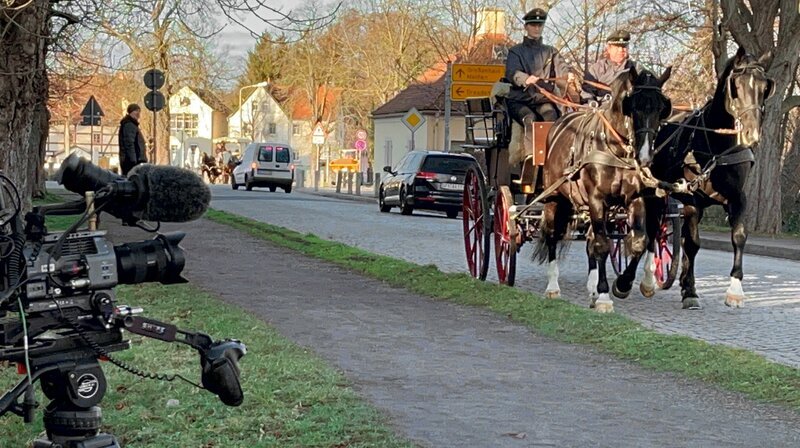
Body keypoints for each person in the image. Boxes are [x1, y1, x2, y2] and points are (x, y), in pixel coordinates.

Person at [505, 8, 576, 126]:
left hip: (543, 100)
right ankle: (531, 145)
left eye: (540, 25)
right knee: (529, 119)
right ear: (526, 27)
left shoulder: (551, 52)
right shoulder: (515, 51)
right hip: (520, 100)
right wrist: (525, 79)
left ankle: (549, 144)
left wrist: (568, 75)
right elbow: (512, 72)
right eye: (533, 25)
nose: (537, 29)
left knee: (551, 116)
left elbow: (562, 69)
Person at [581, 29, 645, 105]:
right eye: (617, 47)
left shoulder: (637, 69)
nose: (621, 50)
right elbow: (587, 90)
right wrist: (591, 102)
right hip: (601, 109)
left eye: (624, 47)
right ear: (609, 49)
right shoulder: (596, 69)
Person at [118, 104, 147, 175]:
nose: (138, 114)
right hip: (131, 161)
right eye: (136, 111)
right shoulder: (129, 125)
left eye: (139, 111)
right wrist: (133, 160)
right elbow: (129, 143)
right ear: (131, 112)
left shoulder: (131, 124)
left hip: (133, 160)